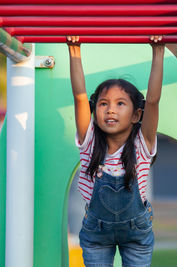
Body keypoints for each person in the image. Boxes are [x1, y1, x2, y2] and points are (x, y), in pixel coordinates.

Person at [67, 35, 164, 267]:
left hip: (136, 233)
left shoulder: (142, 144)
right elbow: (80, 97)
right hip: (97, 233)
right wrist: (74, 50)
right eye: (103, 104)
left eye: (120, 104)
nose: (111, 110)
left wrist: (158, 53)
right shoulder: (89, 143)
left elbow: (152, 101)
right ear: (95, 112)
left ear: (136, 115)